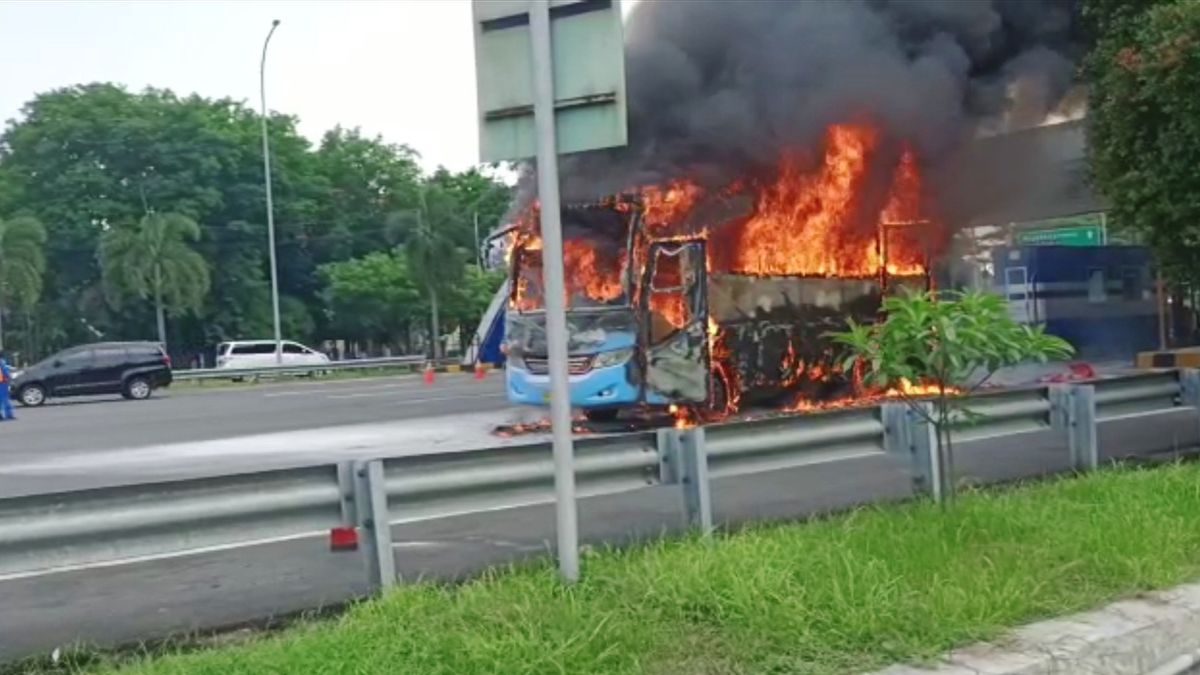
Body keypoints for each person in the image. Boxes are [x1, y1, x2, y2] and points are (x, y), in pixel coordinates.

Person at [0, 351, 13, 421]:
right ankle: (9, 415)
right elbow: (5, 371)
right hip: (2, 383)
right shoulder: (2, 362)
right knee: (5, 399)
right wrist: (10, 378)